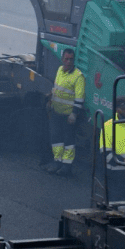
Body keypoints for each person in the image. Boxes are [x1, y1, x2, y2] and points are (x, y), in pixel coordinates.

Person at [44, 48, 86, 176]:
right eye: (66, 59)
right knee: (56, 139)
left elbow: (80, 98)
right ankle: (57, 162)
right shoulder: (59, 70)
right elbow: (57, 89)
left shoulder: (78, 76)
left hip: (68, 116)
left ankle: (67, 166)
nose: (68, 61)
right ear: (62, 59)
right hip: (56, 112)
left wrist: (74, 114)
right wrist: (50, 98)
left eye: (71, 59)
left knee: (68, 142)